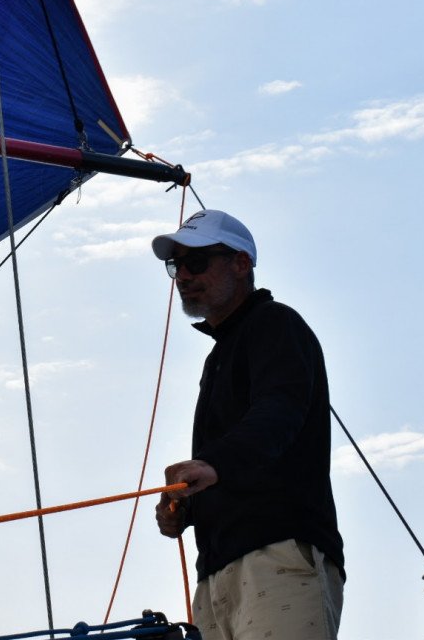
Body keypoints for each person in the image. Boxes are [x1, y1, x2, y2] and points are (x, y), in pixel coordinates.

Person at [151, 209, 344, 640]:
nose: (183, 275)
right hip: (218, 573)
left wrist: (211, 464)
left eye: (196, 262)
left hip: (278, 557)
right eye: (176, 265)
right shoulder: (218, 357)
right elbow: (247, 457)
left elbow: (279, 413)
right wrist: (185, 510)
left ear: (240, 264)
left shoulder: (276, 324)